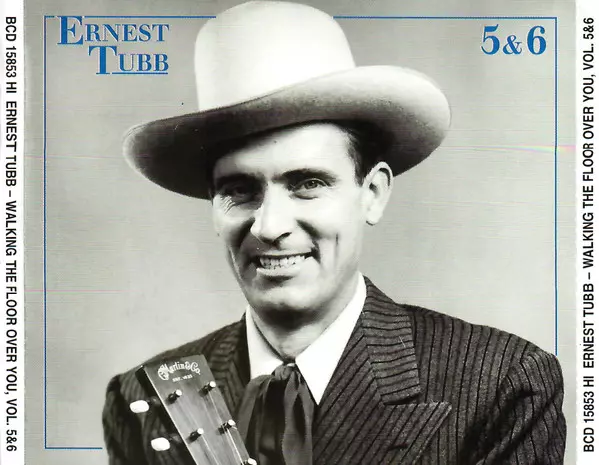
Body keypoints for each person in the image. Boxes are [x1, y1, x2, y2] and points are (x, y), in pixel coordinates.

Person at [102, 2, 567, 464]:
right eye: (239, 191)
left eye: (307, 184)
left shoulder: (502, 385)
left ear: (373, 194)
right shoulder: (142, 399)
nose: (269, 226)